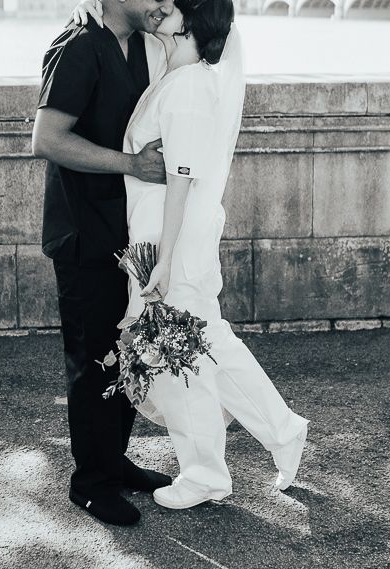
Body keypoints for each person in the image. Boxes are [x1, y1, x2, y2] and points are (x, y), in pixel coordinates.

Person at [75, 0, 311, 510]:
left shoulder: (185, 88)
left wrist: (161, 258)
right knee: (204, 344)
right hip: (169, 236)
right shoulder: (179, 78)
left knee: (180, 353)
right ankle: (279, 431)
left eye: (175, 6)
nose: (162, 6)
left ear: (191, 24)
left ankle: (208, 471)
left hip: (171, 239)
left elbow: (182, 179)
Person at [31, 0, 177, 527]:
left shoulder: (142, 45)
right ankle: (91, 484)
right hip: (82, 234)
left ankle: (113, 462)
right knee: (94, 362)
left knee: (129, 352)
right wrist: (131, 164)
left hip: (128, 231)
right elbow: (46, 139)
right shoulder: (76, 47)